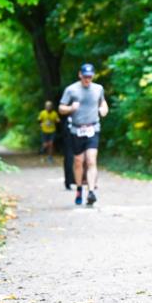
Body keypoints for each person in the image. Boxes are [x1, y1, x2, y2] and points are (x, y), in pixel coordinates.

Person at [58, 63, 108, 206]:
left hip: (93, 128)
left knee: (91, 160)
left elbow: (103, 103)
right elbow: (61, 108)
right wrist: (70, 108)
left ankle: (91, 192)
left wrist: (103, 109)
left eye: (90, 77)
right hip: (76, 130)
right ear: (80, 75)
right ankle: (79, 188)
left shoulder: (98, 89)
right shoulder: (71, 90)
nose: (87, 79)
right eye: (85, 76)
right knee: (79, 162)